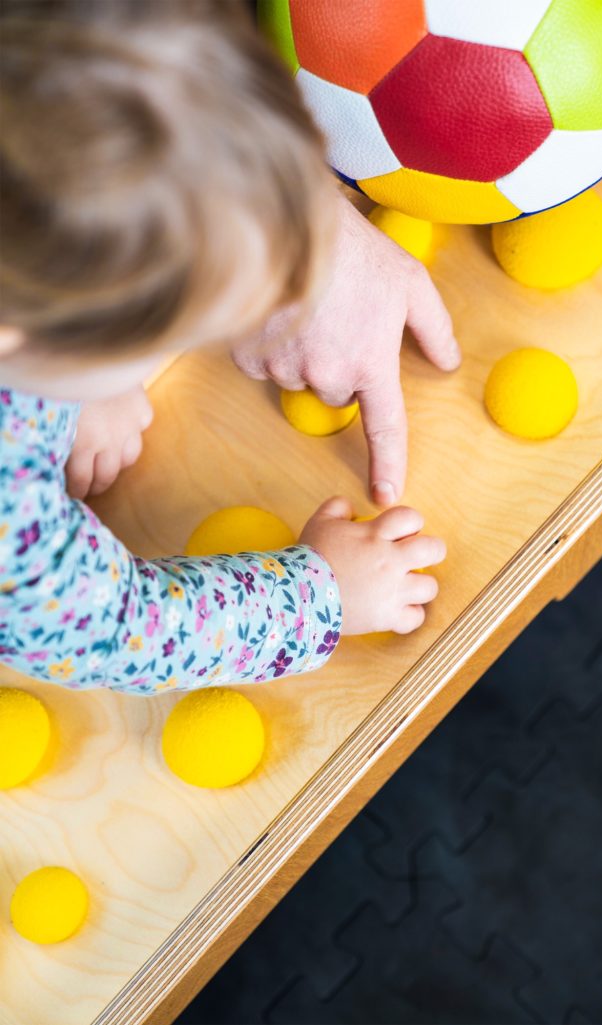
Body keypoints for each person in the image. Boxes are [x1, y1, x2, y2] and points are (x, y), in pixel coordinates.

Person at [0, 0, 446, 695]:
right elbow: (115, 630)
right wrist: (319, 594)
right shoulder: (10, 523)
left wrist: (75, 383)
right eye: (164, 331)